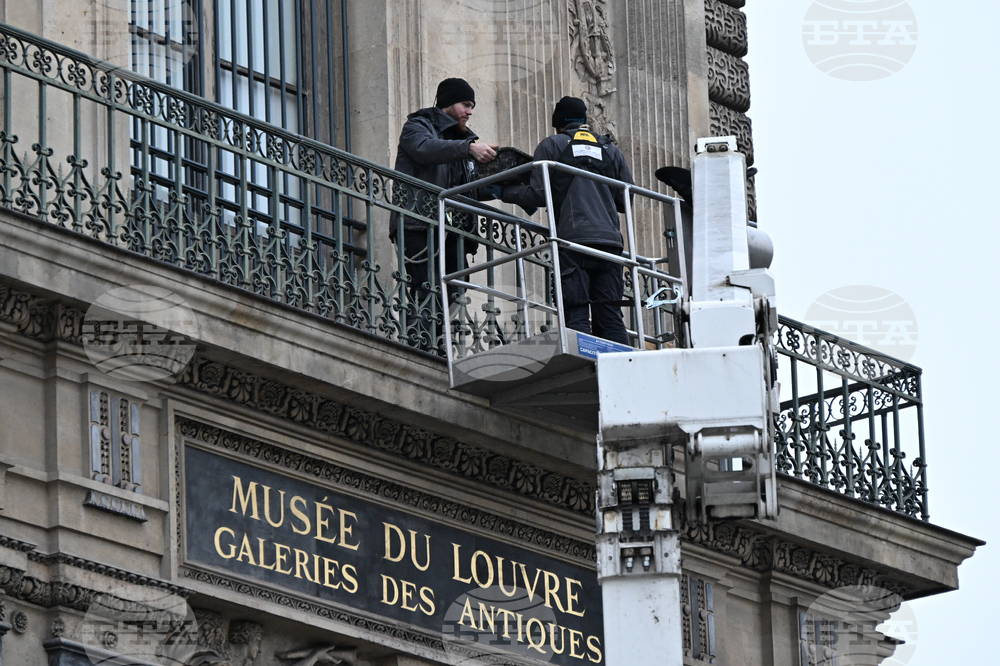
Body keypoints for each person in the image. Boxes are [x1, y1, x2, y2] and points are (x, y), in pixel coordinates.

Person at [501, 96, 633, 345]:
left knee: (577, 312)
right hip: (610, 244)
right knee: (611, 316)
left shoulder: (552, 146)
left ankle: (584, 366)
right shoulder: (610, 150)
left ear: (558, 125)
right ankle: (621, 370)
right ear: (585, 122)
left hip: (573, 242)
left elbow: (539, 194)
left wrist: (502, 191)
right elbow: (625, 201)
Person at [391, 78, 498, 320]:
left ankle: (440, 349)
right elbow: (425, 149)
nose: (470, 112)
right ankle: (422, 348)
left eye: (472, 106)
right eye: (466, 104)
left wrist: (518, 188)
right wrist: (468, 148)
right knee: (426, 290)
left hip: (451, 231)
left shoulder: (461, 142)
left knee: (454, 294)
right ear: (448, 102)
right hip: (419, 225)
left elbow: (469, 188)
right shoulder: (417, 126)